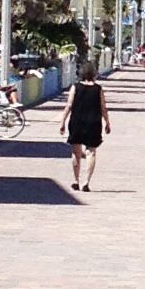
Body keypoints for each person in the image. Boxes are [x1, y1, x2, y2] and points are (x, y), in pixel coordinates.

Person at [61, 57, 109, 190]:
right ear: (93, 73)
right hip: (93, 123)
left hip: (77, 121)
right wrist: (107, 122)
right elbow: (103, 107)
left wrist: (62, 122)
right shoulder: (98, 89)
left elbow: (69, 106)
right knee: (91, 152)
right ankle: (86, 182)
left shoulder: (75, 87)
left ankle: (76, 180)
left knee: (76, 152)